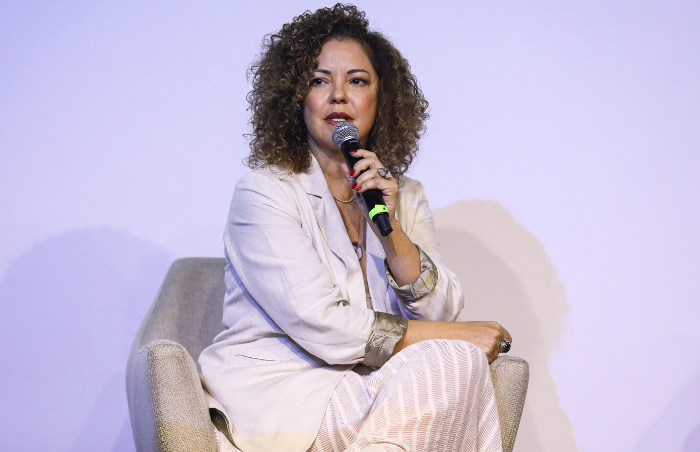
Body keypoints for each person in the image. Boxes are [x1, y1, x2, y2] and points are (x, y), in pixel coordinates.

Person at [199, 4, 512, 452]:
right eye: (319, 80)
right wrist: (454, 338)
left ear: (382, 99)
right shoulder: (263, 192)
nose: (339, 96)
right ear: (295, 97)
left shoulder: (404, 193)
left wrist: (390, 229)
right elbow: (323, 324)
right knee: (456, 360)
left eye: (358, 81)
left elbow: (440, 311)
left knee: (455, 364)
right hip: (285, 394)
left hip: (377, 388)